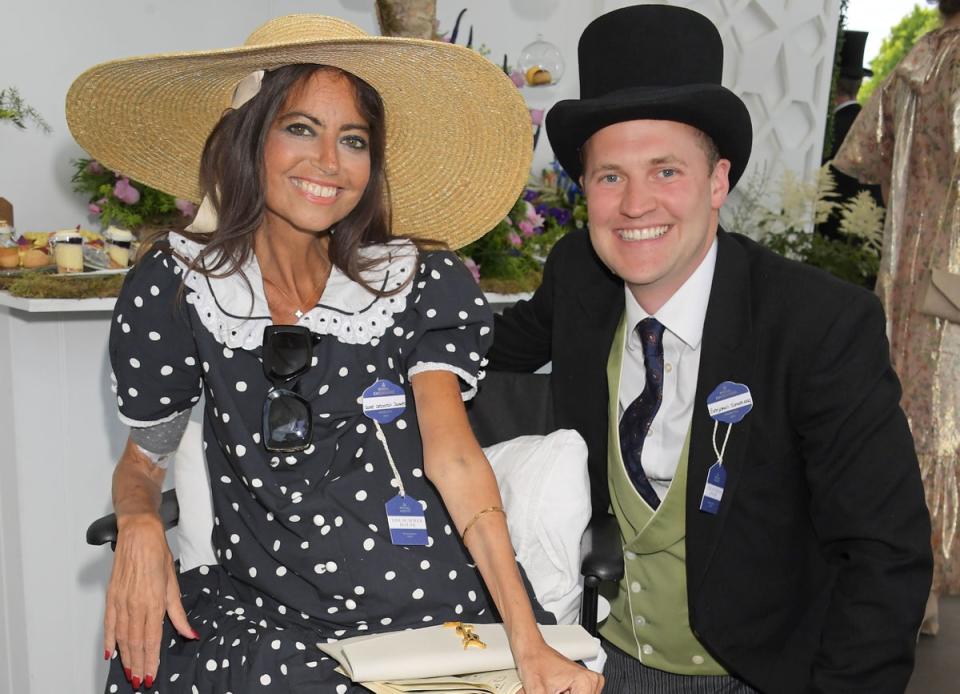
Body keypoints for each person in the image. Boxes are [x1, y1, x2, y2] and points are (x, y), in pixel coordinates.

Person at [66, 14, 603, 694]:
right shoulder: (179, 290)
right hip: (268, 616)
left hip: (429, 603)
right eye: (300, 128)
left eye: (353, 140)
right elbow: (144, 459)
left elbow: (456, 459)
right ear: (248, 137)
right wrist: (140, 519)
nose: (329, 162)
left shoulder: (415, 284)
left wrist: (527, 645)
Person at [489, 5, 932, 693]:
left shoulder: (817, 323)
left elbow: (884, 555)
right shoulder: (578, 275)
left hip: (754, 672)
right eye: (610, 177)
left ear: (718, 181)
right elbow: (483, 351)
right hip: (596, 659)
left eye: (666, 171)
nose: (636, 205)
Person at [834, 0, 960, 636]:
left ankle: (907, 579)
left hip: (911, 270)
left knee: (908, 410)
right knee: (945, 417)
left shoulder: (917, 63)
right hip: (954, 275)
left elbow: (863, 160)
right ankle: (928, 575)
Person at [817, 30, 884, 248]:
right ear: (859, 85)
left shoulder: (829, 133)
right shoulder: (875, 130)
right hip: (861, 251)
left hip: (826, 247)